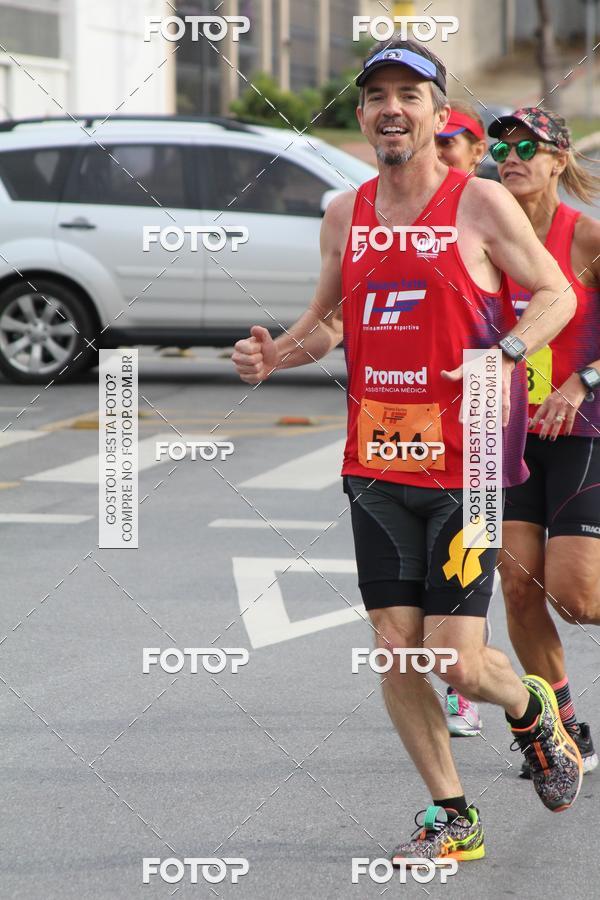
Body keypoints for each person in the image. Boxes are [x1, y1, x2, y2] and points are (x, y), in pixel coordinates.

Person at [232, 39, 580, 865]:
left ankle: (531, 709)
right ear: (362, 115)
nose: (392, 108)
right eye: (377, 96)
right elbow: (328, 322)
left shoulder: (479, 203)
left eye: (410, 95)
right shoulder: (344, 213)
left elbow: (557, 293)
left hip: (470, 468)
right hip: (374, 466)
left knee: (455, 663)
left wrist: (508, 351)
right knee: (396, 649)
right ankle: (454, 815)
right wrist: (277, 354)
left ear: (435, 113)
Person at [491, 107, 600, 779]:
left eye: (528, 147)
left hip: (584, 432)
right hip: (509, 438)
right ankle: (562, 726)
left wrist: (582, 381)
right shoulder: (484, 236)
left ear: (559, 160)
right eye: (503, 146)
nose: (511, 156)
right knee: (517, 584)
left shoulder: (585, 238)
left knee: (577, 597)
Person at [434, 102, 490, 738]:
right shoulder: (409, 213)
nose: (444, 147)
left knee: (558, 589)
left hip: (492, 422)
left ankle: (535, 705)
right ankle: (462, 687)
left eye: (456, 140)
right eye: (440, 138)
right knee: (463, 577)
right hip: (428, 437)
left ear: (478, 153)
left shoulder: (491, 211)